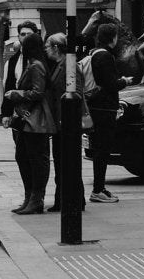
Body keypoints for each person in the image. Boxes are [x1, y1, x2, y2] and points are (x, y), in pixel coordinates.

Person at [7, 25, 55, 215]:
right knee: (23, 156)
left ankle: (36, 199)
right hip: (27, 119)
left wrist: (16, 94)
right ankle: (30, 197)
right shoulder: (34, 64)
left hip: (34, 119)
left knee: (35, 158)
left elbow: (38, 92)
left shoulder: (36, 66)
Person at [81, 15, 124, 204]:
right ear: (112, 38)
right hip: (103, 109)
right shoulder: (105, 56)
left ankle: (100, 188)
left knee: (100, 149)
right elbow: (110, 83)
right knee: (102, 150)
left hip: (96, 107)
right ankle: (98, 189)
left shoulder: (94, 52)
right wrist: (124, 81)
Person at [44, 35, 84, 214]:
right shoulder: (60, 65)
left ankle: (72, 199)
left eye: (47, 46)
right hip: (60, 122)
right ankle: (66, 198)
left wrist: (69, 117)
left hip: (66, 123)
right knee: (62, 161)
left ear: (56, 47)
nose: (46, 49)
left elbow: (77, 92)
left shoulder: (69, 65)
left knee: (67, 161)